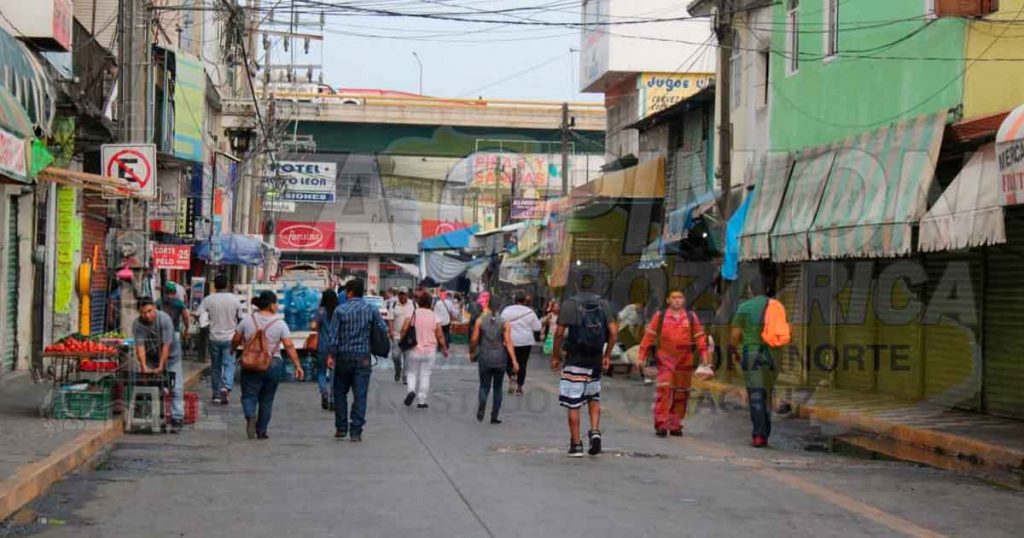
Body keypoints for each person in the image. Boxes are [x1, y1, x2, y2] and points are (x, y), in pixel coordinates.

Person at [551, 277, 617, 457]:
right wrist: (607, 355)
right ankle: (595, 431)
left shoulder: (570, 304)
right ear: (594, 284)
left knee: (574, 403)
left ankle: (576, 444)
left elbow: (558, 334)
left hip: (575, 359)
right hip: (595, 358)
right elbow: (613, 332)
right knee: (593, 396)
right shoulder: (604, 303)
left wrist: (556, 356)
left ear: (576, 283)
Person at [638, 290, 711, 437]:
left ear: (683, 300)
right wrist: (641, 356)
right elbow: (649, 337)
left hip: (685, 360)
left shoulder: (691, 317)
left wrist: (705, 359)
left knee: (681, 393)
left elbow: (700, 339)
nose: (677, 300)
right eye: (674, 298)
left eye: (680, 298)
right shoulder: (660, 316)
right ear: (668, 300)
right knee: (664, 391)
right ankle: (661, 423)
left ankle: (675, 424)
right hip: (665, 359)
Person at [233, 291, 304, 440]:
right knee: (267, 399)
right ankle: (262, 431)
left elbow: (236, 339)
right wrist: (297, 365)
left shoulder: (247, 320)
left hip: (250, 363)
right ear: (271, 305)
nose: (277, 306)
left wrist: (232, 350)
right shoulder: (280, 323)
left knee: (249, 395)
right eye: (276, 303)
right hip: (273, 363)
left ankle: (250, 415)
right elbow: (289, 346)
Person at [327, 278, 388, 442]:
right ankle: (356, 431)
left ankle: (341, 428)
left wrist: (331, 356)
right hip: (363, 358)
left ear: (350, 292)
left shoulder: (340, 310)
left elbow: (333, 337)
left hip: (343, 357)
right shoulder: (371, 310)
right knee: (360, 395)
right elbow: (383, 328)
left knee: (339, 392)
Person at [730, 279, 780, 448]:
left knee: (756, 394)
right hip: (773, 355)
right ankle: (765, 431)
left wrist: (734, 352)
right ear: (766, 288)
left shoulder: (744, 308)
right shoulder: (777, 306)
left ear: (750, 290)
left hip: (752, 353)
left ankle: (759, 435)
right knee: (767, 392)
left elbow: (735, 336)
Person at [133, 298, 185, 434]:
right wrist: (143, 366)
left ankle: (177, 418)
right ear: (139, 313)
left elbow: (166, 345)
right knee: (153, 387)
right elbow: (140, 347)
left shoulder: (164, 319)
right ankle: (156, 417)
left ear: (155, 308)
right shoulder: (137, 325)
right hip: (151, 357)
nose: (147, 315)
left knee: (176, 388)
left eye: (150, 311)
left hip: (172, 356)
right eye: (143, 313)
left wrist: (161, 365)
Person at [470, 296, 518, 424]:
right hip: (500, 359)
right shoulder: (504, 322)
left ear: (488, 305)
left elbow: (474, 339)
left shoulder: (480, 321)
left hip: (484, 357)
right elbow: (508, 342)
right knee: (498, 387)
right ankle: (494, 416)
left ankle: (482, 404)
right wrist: (514, 360)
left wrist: (472, 352)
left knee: (484, 386)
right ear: (499, 307)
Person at [197, 275, 242, 405]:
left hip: (214, 337)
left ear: (214, 286)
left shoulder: (208, 299)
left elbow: (199, 314)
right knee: (229, 364)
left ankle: (216, 394)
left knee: (215, 367)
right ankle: (226, 387)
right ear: (227, 285)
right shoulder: (235, 299)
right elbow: (240, 318)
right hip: (230, 338)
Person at [400, 292, 448, 409]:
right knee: (425, 375)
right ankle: (422, 401)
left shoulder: (413, 314)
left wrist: (402, 340)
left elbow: (404, 329)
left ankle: (411, 390)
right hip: (430, 350)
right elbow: (440, 335)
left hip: (414, 349)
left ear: (419, 302)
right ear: (431, 303)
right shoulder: (434, 316)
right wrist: (444, 348)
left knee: (411, 372)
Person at [501, 291, 542, 395]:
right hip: (525, 341)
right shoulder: (530, 312)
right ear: (525, 300)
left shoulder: (506, 311)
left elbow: (500, 324)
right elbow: (537, 327)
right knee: (523, 363)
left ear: (514, 300)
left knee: (509, 362)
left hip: (510, 340)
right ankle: (519, 387)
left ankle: (511, 376)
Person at [310, 289, 340, 411]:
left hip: (322, 345)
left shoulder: (321, 311)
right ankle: (333, 399)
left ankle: (324, 392)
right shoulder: (339, 311)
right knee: (334, 373)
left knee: (321, 371)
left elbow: (313, 326)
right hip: (336, 345)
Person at [389, 287, 416, 383]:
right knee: (395, 356)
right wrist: (391, 331)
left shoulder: (413, 304)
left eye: (404, 294)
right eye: (400, 294)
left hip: (409, 336)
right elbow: (391, 319)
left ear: (407, 295)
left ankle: (405, 377)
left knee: (408, 357)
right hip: (397, 335)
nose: (402, 296)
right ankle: (398, 369)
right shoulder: (394, 305)